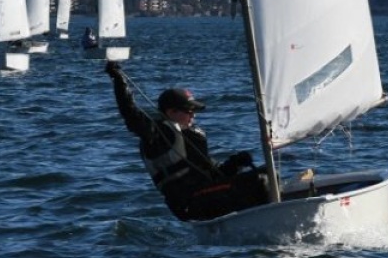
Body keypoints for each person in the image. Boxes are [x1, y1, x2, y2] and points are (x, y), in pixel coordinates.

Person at [106, 61, 269, 221]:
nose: (193, 115)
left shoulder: (189, 137)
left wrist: (235, 164)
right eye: (188, 111)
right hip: (188, 202)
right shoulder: (157, 134)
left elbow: (215, 173)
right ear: (171, 112)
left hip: (207, 195)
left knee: (268, 173)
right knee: (259, 182)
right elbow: (131, 114)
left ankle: (270, 216)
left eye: (194, 111)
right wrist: (119, 80)